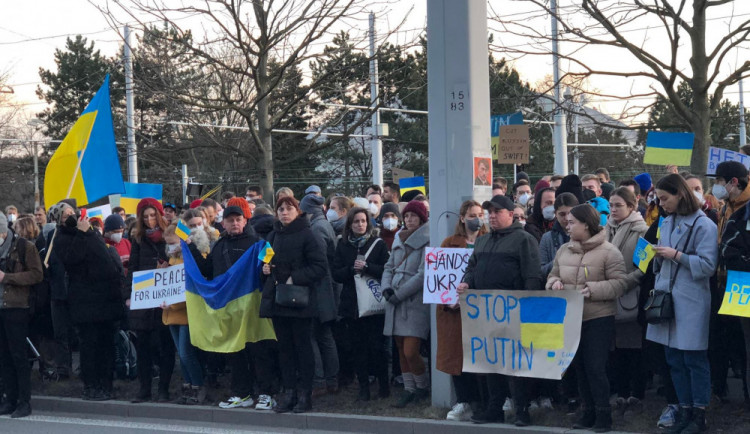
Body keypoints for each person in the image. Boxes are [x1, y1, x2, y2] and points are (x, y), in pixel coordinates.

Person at [458, 194, 541, 426]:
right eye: (489, 212)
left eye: (497, 212)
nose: (491, 216)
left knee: (515, 363)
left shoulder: (524, 239)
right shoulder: (483, 241)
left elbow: (532, 275)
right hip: (486, 312)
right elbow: (472, 268)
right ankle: (494, 408)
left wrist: (527, 309)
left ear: (510, 214)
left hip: (513, 311)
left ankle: (521, 409)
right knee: (490, 361)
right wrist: (467, 282)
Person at [646, 174, 718, 434]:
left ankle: (699, 414)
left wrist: (676, 255)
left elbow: (708, 266)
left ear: (680, 194)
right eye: (659, 199)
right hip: (668, 296)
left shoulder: (704, 225)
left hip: (691, 299)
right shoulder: (666, 222)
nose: (661, 204)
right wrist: (658, 257)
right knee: (674, 357)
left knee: (693, 358)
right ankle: (683, 409)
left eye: (665, 198)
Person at [547, 204, 628, 432]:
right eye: (567, 221)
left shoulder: (609, 251)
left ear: (587, 224)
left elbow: (620, 283)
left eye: (573, 222)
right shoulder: (564, 250)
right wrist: (554, 284)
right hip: (571, 318)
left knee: (595, 367)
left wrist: (593, 289)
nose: (567, 225)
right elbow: (552, 275)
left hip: (598, 317)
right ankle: (588, 411)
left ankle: (604, 414)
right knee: (579, 366)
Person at [188, 206, 277, 411]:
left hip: (254, 309)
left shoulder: (259, 243)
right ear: (224, 223)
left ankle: (266, 394)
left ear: (245, 221)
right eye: (230, 220)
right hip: (229, 310)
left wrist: (267, 269)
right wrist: (191, 248)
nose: (235, 223)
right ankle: (241, 393)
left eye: (238, 219)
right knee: (235, 353)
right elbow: (206, 270)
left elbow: (272, 266)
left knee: (259, 351)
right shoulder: (219, 245)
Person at [260, 197, 328, 413]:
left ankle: (305, 394)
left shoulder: (308, 234)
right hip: (279, 301)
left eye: (289, 208)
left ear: (297, 211)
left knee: (303, 349)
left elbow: (319, 267)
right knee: (285, 350)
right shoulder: (272, 235)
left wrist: (294, 278)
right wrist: (265, 270)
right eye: (280, 209)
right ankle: (289, 393)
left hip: (300, 302)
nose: (284, 212)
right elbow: (264, 261)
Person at [53, 206, 125, 402]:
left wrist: (90, 234)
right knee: (89, 345)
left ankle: (106, 384)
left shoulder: (90, 232)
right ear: (59, 220)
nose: (72, 217)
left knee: (106, 344)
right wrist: (82, 235)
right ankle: (91, 385)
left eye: (72, 213)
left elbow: (103, 256)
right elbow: (71, 258)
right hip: (84, 301)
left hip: (104, 297)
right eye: (66, 215)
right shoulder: (61, 238)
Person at [331, 207, 391, 401]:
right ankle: (363, 386)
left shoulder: (378, 244)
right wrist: (351, 270)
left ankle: (384, 385)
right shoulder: (343, 245)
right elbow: (336, 274)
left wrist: (368, 268)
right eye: (356, 221)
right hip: (351, 305)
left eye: (363, 221)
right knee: (358, 348)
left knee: (377, 347)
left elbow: (387, 270)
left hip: (373, 305)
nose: (360, 224)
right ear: (350, 224)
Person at [437, 200, 487, 422]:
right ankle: (464, 401)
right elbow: (440, 278)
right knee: (457, 355)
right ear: (462, 218)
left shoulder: (488, 241)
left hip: (482, 309)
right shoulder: (449, 243)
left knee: (481, 355)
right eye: (472, 214)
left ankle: (485, 401)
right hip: (455, 311)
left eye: (480, 214)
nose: (477, 218)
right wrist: (448, 301)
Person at [381, 200, 430, 408]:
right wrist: (386, 288)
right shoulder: (398, 239)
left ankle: (423, 385)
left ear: (421, 218)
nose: (409, 220)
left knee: (411, 349)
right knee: (400, 349)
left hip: (413, 302)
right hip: (394, 300)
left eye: (414, 216)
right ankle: (410, 389)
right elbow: (389, 266)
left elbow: (422, 275)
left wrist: (399, 294)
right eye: (407, 216)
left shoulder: (427, 241)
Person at [605, 187, 649, 415]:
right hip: (609, 295)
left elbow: (644, 266)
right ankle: (620, 391)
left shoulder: (642, 231)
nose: (613, 209)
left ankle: (636, 392)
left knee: (634, 346)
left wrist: (624, 283)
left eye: (618, 205)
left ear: (631, 207)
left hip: (631, 294)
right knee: (616, 348)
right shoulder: (605, 229)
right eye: (611, 205)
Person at [127, 198, 175, 403]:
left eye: (153, 215)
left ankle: (164, 389)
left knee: (166, 346)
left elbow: (180, 261)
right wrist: (129, 295)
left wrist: (168, 265)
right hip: (145, 299)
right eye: (145, 217)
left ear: (159, 214)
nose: (150, 220)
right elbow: (133, 268)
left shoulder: (170, 235)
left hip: (166, 299)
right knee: (144, 346)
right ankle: (144, 389)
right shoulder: (138, 239)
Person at [0, 212, 43, 418]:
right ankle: (9, 399)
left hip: (17, 307)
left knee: (18, 356)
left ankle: (24, 402)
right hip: (1, 307)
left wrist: (7, 277)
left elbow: (37, 274)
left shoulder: (25, 247)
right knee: (3, 356)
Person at [162, 222, 210, 405]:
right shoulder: (173, 259)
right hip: (172, 313)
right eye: (168, 244)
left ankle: (198, 385)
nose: (171, 247)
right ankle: (189, 384)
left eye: (173, 243)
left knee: (186, 353)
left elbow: (191, 289)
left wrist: (172, 304)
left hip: (186, 313)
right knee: (181, 354)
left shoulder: (193, 259)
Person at [299, 194, 340, 398]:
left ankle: (321, 380)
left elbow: (319, 263)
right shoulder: (324, 224)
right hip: (326, 290)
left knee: (315, 336)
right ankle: (332, 380)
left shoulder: (315, 229)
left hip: (318, 290)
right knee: (325, 336)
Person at [540, 193, 579, 279]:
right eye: (562, 214)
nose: (567, 218)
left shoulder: (586, 235)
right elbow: (541, 271)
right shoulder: (547, 238)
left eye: (570, 213)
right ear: (555, 213)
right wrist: (559, 261)